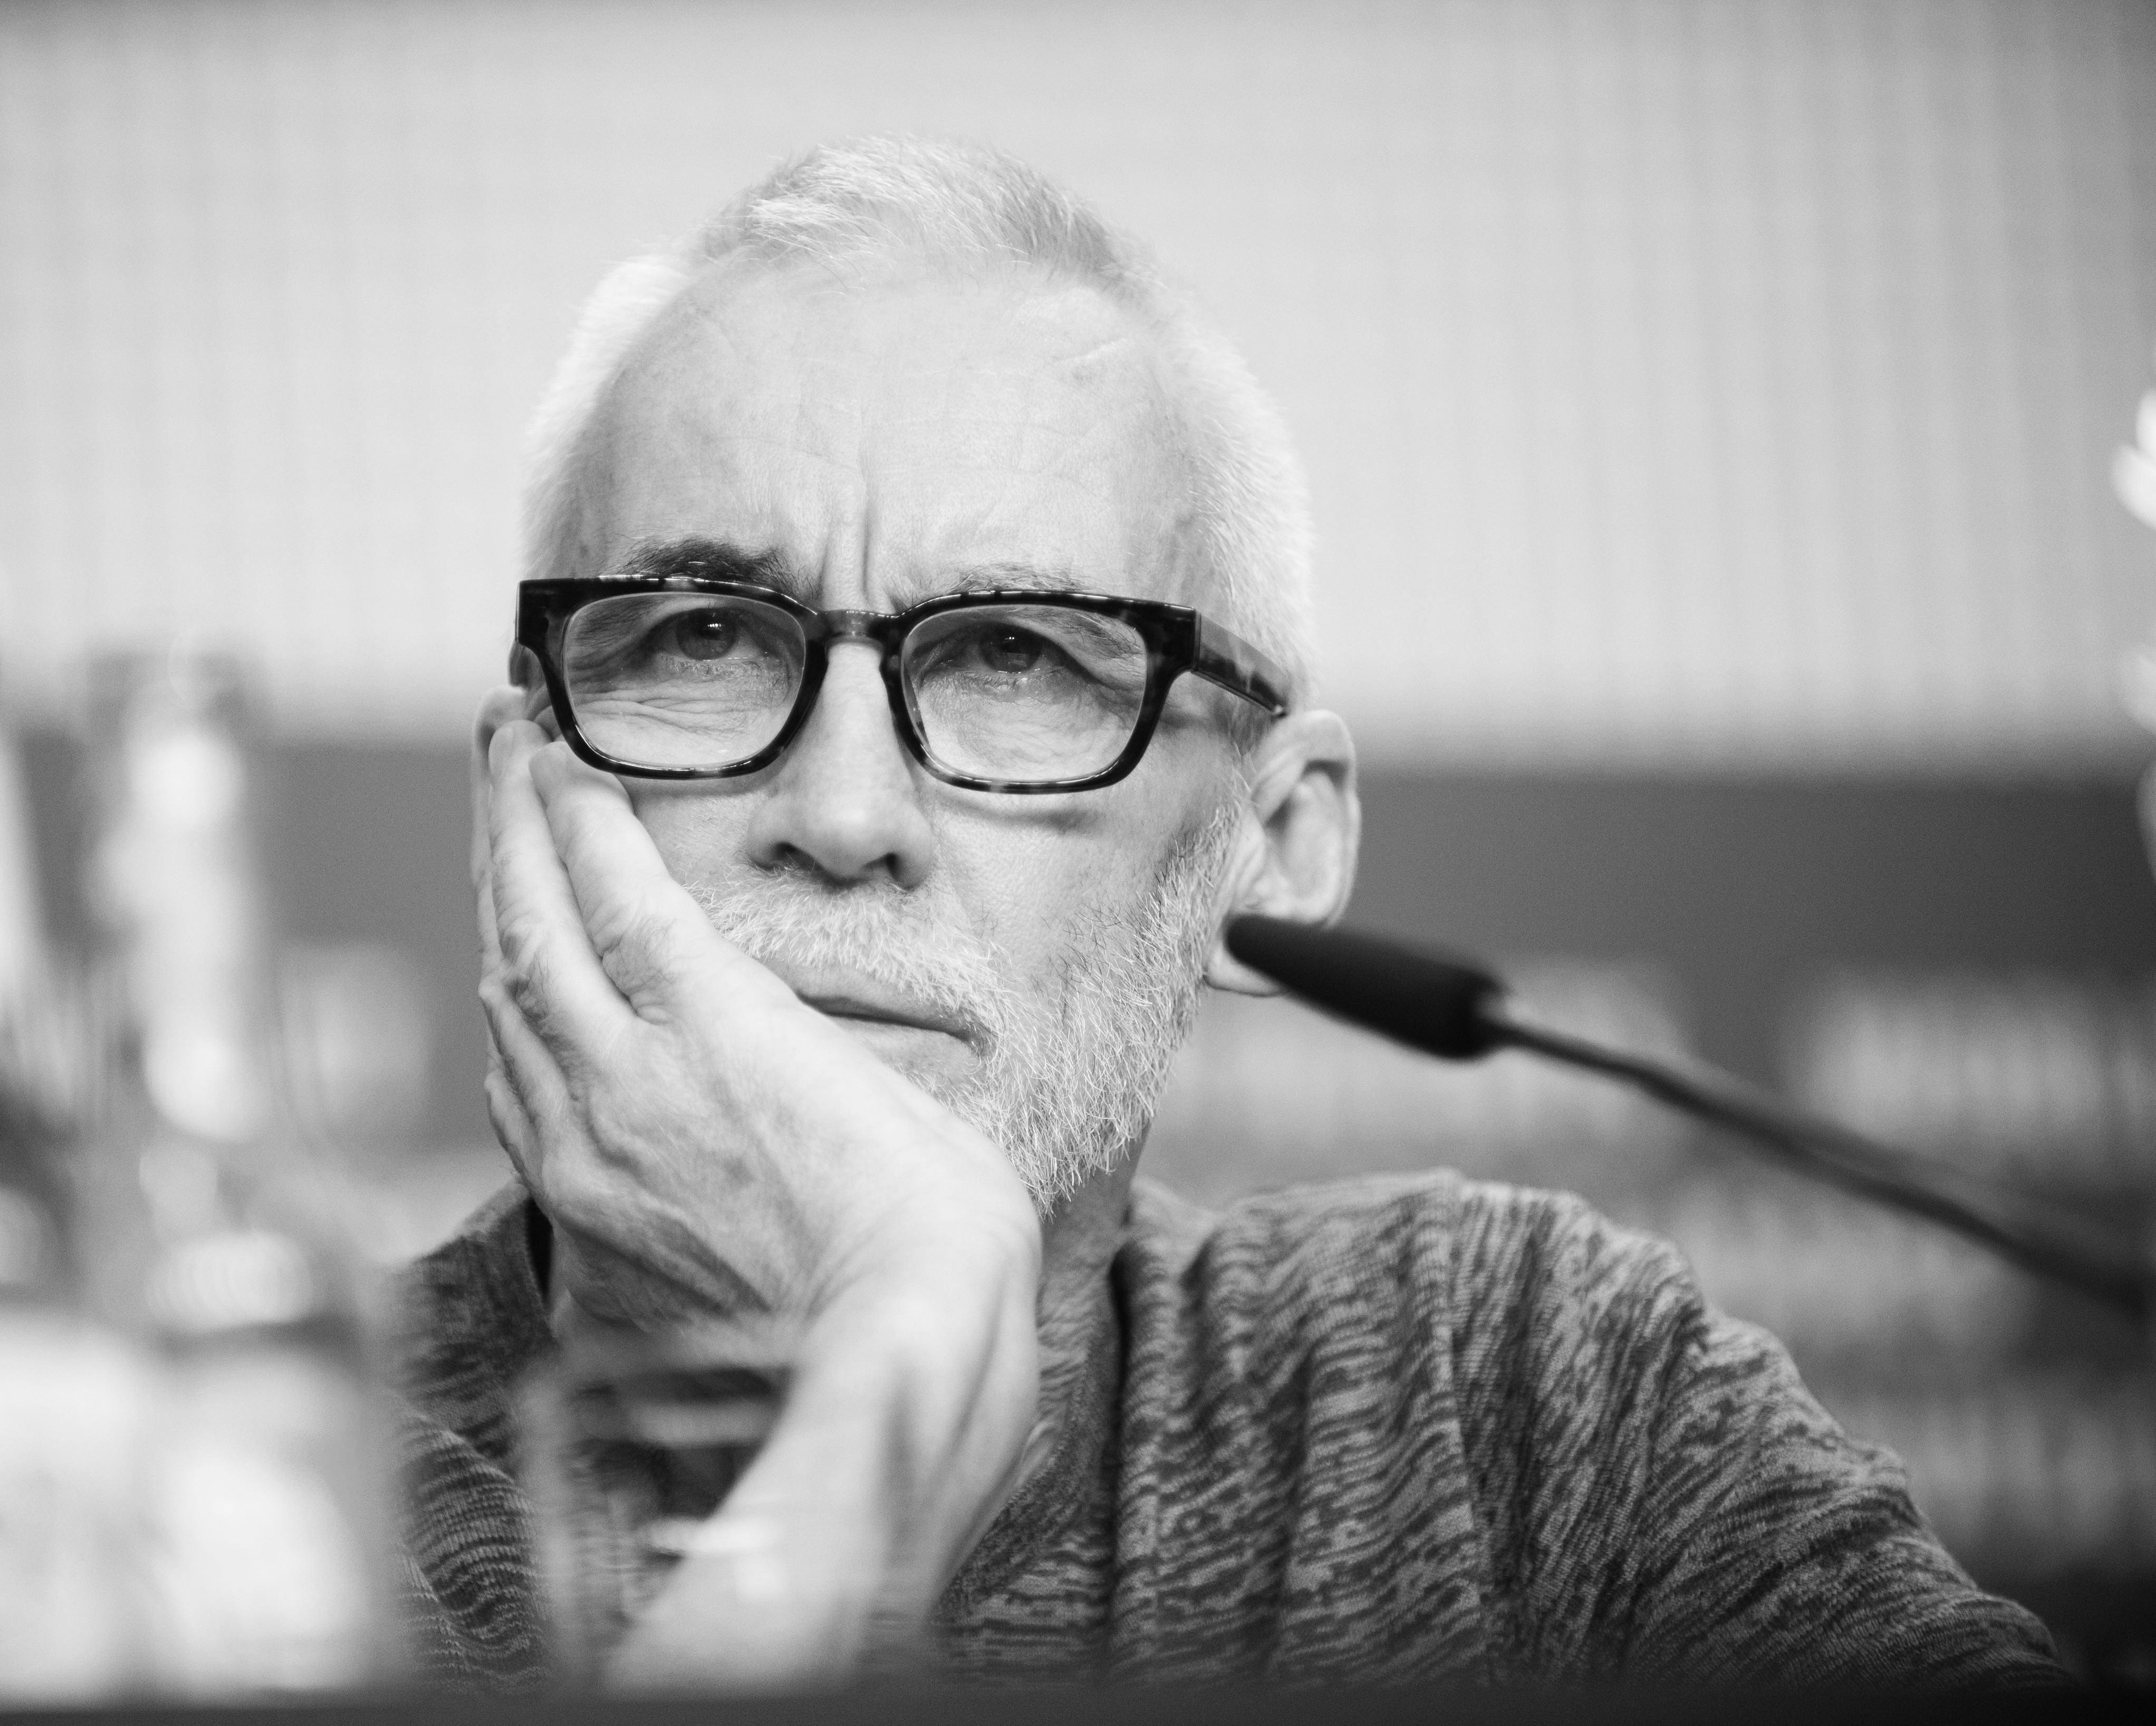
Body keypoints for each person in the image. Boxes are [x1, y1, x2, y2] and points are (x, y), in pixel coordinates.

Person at [399, 136, 2066, 1691]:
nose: (842, 818)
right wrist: (891, 1358)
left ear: (1269, 844)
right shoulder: (284, 1487)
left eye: (1017, 659)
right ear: (516, 798)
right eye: (701, 638)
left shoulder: (1517, 1393)